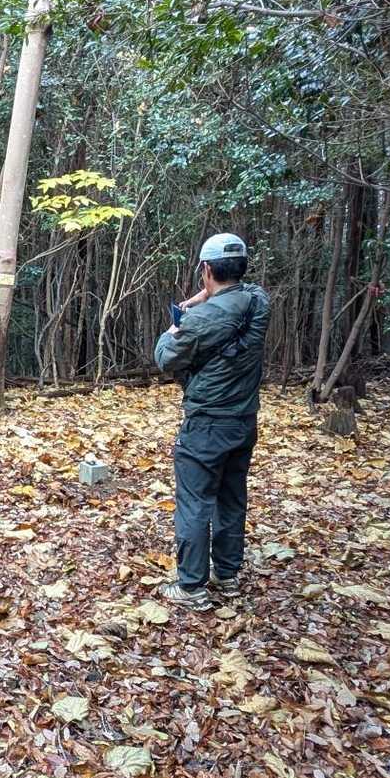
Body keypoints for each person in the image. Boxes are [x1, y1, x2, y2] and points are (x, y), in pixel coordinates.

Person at [152, 233, 270, 611]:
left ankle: (191, 587)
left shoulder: (201, 320)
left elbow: (165, 358)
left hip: (206, 424)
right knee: (232, 498)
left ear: (206, 269)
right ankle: (227, 574)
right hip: (244, 421)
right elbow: (246, 291)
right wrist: (207, 294)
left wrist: (175, 327)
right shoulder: (258, 302)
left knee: (194, 503)